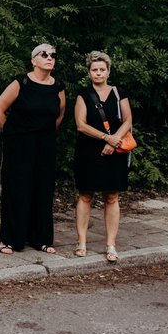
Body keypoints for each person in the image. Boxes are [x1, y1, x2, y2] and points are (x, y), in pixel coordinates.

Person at [0, 43, 66, 255]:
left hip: (45, 144)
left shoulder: (58, 87)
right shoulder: (21, 82)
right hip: (19, 144)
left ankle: (40, 239)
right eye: (44, 54)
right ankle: (9, 239)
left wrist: (46, 133)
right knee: (17, 189)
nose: (49, 57)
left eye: (53, 55)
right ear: (33, 60)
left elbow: (59, 115)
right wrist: (11, 133)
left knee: (42, 189)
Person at [73, 51, 133, 263]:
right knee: (85, 195)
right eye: (94, 70)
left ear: (108, 71)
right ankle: (81, 242)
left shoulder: (119, 93)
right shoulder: (83, 94)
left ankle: (111, 244)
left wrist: (115, 139)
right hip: (89, 151)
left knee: (112, 196)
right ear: (89, 72)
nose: (98, 73)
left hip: (115, 151)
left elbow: (128, 119)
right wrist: (106, 138)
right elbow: (81, 125)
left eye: (102, 69)